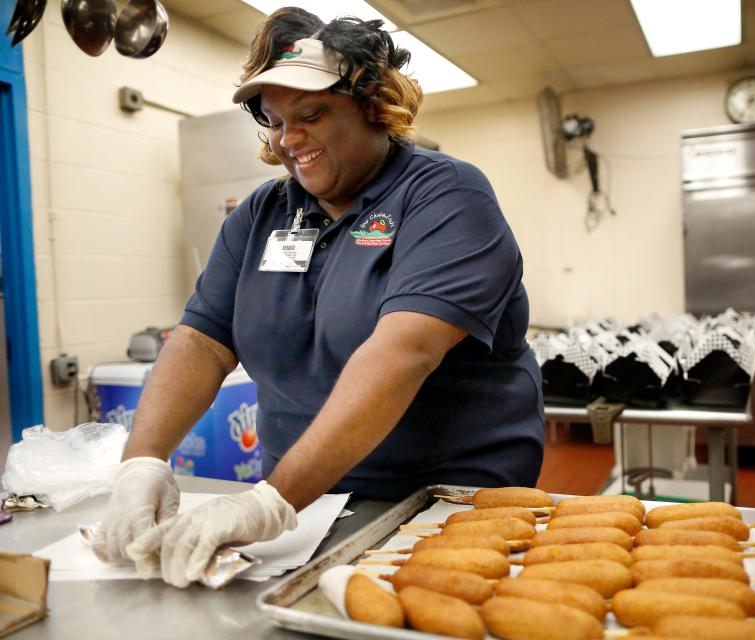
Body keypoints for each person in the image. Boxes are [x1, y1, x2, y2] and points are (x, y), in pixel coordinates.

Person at [90, 8, 544, 588]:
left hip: (447, 501)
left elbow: (405, 352)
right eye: (275, 121)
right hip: (308, 509)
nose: (288, 138)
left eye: (311, 114)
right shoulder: (262, 215)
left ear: (372, 105)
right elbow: (202, 342)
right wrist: (143, 463)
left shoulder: (444, 195)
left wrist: (269, 503)